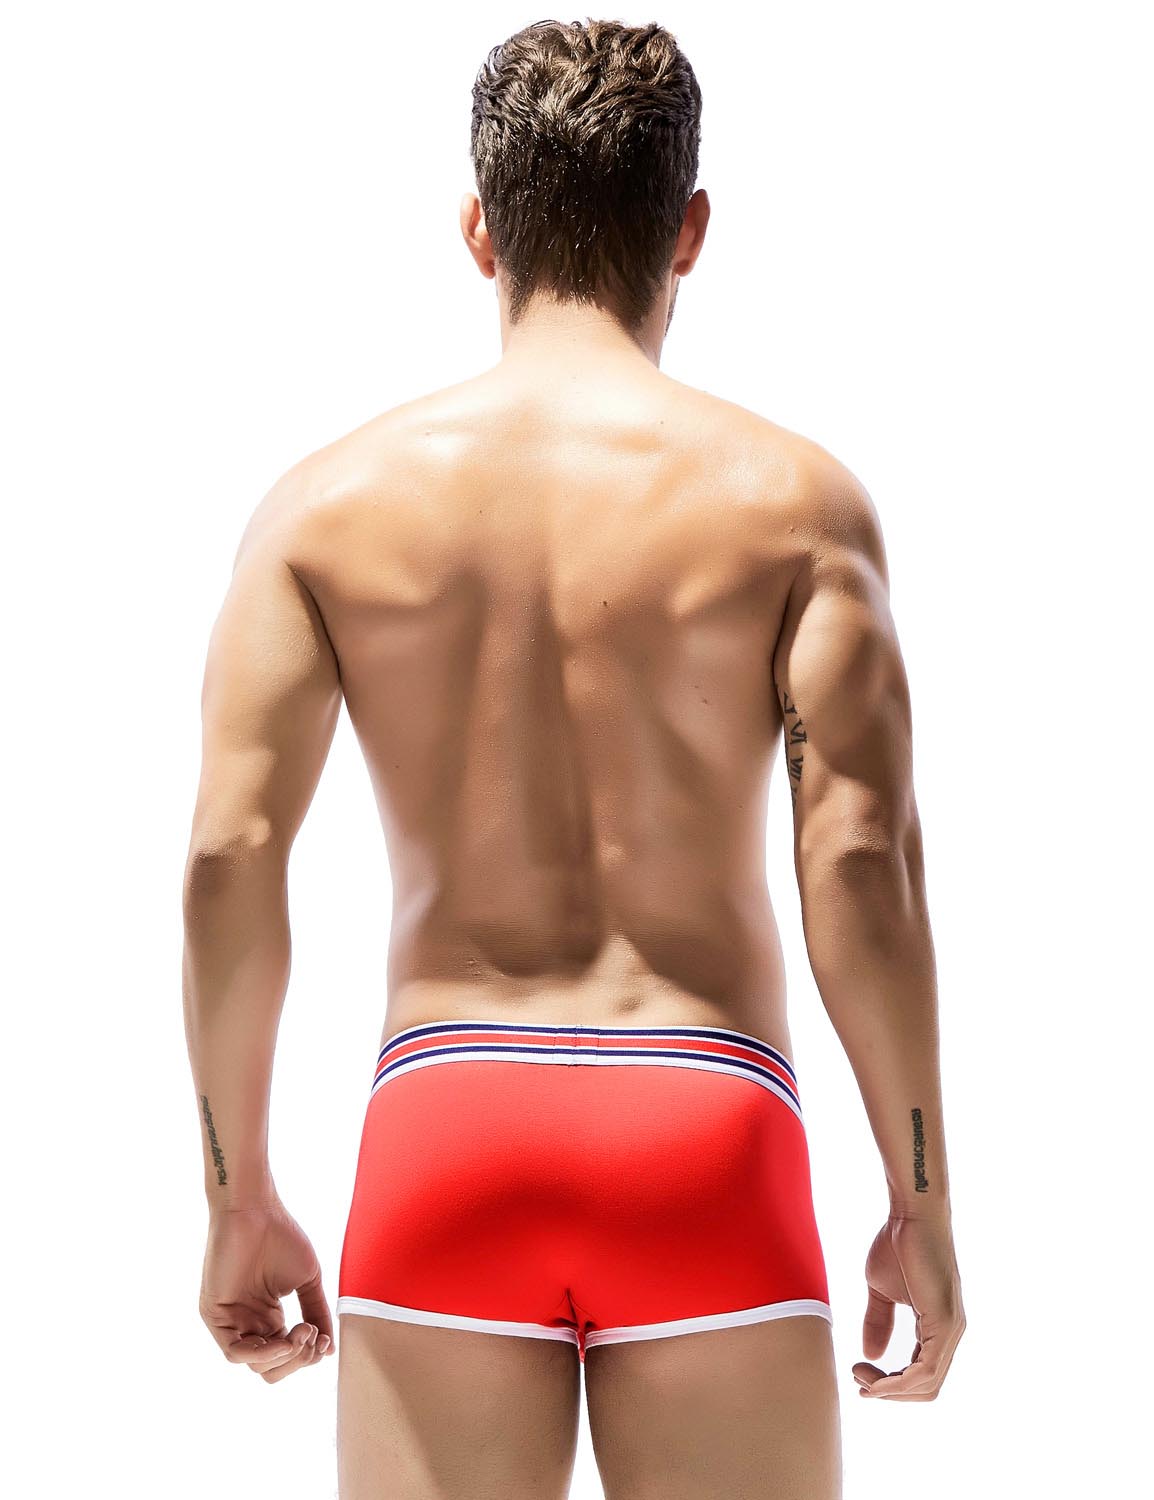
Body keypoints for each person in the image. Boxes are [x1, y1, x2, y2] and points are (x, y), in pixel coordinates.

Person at [181, 17, 965, 1499]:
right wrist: (919, 1197)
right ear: (690, 231)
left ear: (480, 228)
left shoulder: (320, 510)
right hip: (707, 1119)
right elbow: (859, 861)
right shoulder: (797, 506)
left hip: (448, 1121)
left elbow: (231, 852)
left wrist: (238, 1194)